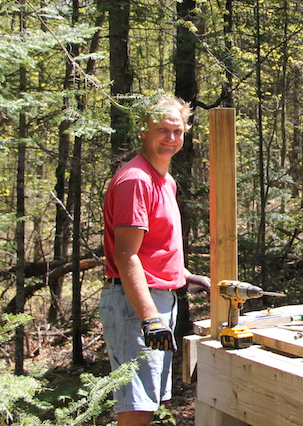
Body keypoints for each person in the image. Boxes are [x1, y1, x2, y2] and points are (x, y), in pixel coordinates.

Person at [99, 95, 210, 426]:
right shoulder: (136, 180)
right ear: (143, 132)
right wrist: (149, 318)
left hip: (157, 299)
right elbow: (126, 254)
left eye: (177, 131)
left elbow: (152, 247)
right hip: (136, 306)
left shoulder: (165, 180)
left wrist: (183, 275)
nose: (170, 138)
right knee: (136, 407)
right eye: (161, 130)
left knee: (148, 401)